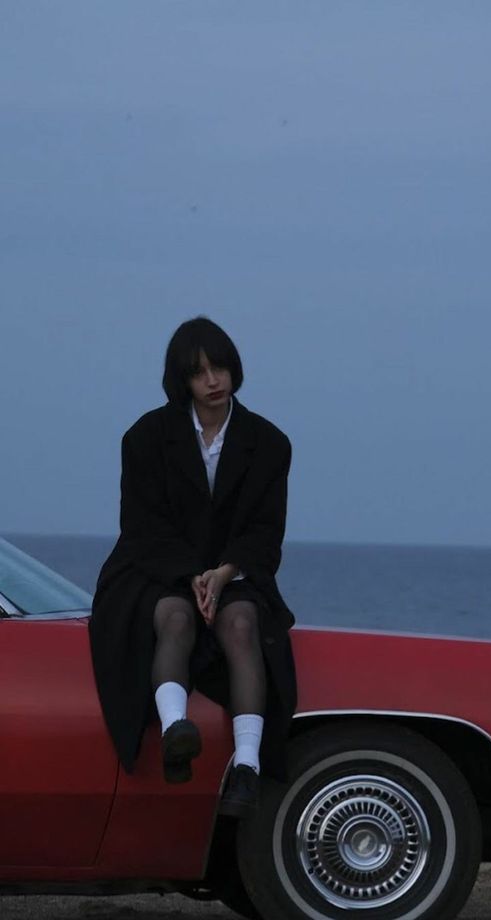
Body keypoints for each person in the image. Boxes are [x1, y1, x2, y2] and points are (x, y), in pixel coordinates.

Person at [89, 317, 296, 817]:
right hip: (154, 569)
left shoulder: (269, 443)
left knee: (243, 625)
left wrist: (224, 573)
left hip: (236, 572)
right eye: (199, 372)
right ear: (181, 380)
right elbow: (141, 525)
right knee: (174, 618)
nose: (212, 380)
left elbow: (266, 532)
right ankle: (176, 729)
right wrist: (190, 575)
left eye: (219, 367)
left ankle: (246, 768)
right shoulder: (144, 437)